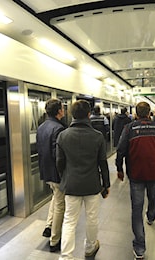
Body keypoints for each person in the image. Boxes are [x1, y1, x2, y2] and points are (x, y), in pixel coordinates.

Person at [56, 99, 110, 260]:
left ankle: (66, 256)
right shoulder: (97, 136)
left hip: (71, 184)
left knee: (69, 220)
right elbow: (102, 163)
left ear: (72, 114)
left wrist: (64, 178)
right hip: (92, 185)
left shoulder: (62, 135)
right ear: (88, 114)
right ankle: (90, 247)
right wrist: (105, 185)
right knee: (92, 217)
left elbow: (59, 162)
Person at [115, 101, 155, 260]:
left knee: (136, 209)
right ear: (149, 113)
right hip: (154, 172)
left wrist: (120, 168)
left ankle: (140, 248)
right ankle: (152, 215)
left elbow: (121, 150)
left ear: (137, 114)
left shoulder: (129, 128)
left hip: (136, 174)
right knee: (153, 196)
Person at [35, 98, 67, 252]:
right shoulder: (59, 129)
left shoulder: (41, 127)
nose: (64, 110)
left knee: (55, 197)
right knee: (61, 204)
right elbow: (58, 155)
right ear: (59, 111)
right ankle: (55, 240)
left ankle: (48, 225)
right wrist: (64, 174)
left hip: (46, 171)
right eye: (63, 108)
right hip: (56, 173)